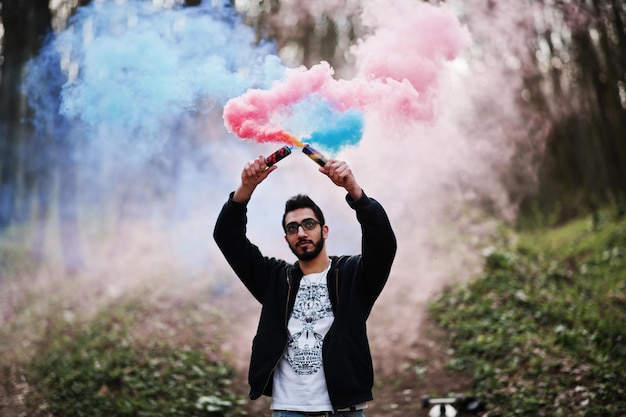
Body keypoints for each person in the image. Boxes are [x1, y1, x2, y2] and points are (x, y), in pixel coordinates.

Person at [213, 154, 397, 417]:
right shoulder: (275, 279)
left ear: (324, 230)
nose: (301, 233)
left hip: (343, 410)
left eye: (308, 224)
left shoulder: (352, 276)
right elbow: (227, 238)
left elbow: (383, 244)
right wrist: (245, 188)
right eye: (292, 228)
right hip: (290, 410)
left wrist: (354, 192)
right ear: (286, 239)